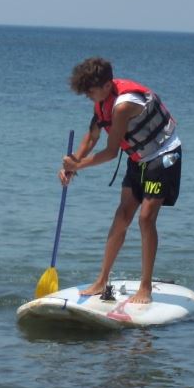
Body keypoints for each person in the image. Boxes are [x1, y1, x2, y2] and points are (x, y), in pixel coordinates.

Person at [60, 57, 182, 304]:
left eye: (90, 92)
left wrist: (78, 165)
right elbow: (92, 137)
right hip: (138, 158)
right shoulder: (102, 101)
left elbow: (111, 152)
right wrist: (73, 163)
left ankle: (145, 286)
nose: (88, 97)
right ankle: (101, 280)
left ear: (107, 85)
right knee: (122, 216)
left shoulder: (123, 105)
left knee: (146, 218)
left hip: (163, 157)